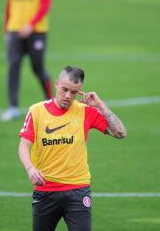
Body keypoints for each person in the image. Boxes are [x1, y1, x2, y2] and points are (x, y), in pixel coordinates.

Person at [18, 66, 127, 231]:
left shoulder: (85, 111)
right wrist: (30, 168)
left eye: (74, 92)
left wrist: (100, 104)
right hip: (45, 190)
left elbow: (120, 133)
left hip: (78, 190)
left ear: (80, 92)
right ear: (56, 84)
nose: (68, 96)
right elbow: (23, 146)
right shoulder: (37, 111)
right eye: (64, 90)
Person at [0, 0, 54, 121]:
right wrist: (6, 28)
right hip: (14, 30)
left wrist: (31, 25)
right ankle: (13, 107)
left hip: (37, 32)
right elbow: (9, 3)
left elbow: (45, 5)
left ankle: (51, 102)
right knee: (13, 66)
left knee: (38, 68)